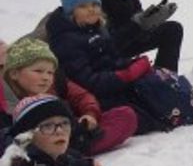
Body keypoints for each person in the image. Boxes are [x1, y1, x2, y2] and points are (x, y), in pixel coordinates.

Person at [45, 0, 162, 135]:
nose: (91, 10)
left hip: (113, 88)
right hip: (96, 98)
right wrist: (125, 75)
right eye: (82, 6)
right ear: (71, 11)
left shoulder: (97, 28)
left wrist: (132, 64)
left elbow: (112, 59)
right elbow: (87, 82)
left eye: (95, 4)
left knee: (158, 97)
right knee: (149, 119)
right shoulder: (66, 41)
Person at [1, 36, 137, 156]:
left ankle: (72, 148)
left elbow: (83, 97)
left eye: (50, 72)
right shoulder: (5, 100)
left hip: (71, 131)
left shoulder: (57, 82)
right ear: (14, 74)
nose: (46, 78)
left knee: (125, 114)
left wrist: (90, 114)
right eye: (38, 71)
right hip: (32, 146)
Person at [0, 95, 102, 166]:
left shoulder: (60, 162)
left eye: (65, 123)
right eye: (47, 126)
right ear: (26, 136)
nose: (59, 130)